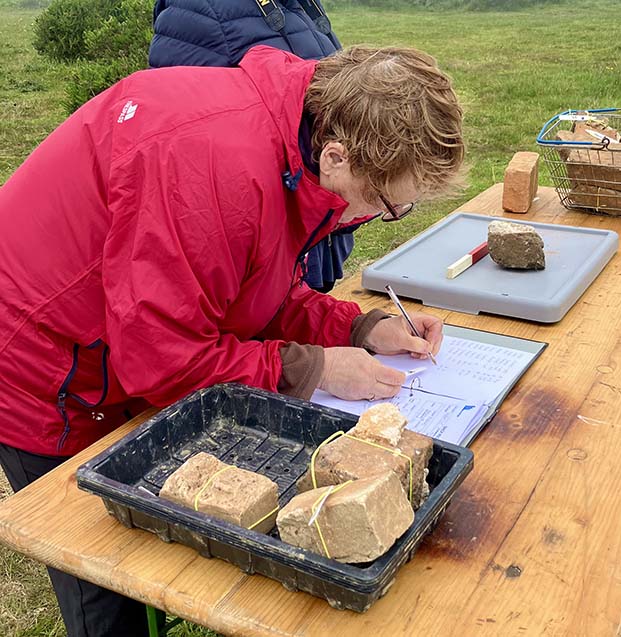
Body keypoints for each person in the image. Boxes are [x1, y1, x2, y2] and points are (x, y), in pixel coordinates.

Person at [0, 44, 464, 636]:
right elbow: (164, 360)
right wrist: (315, 368)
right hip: (45, 367)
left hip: (112, 342)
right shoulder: (212, 167)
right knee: (103, 571)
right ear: (338, 155)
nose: (381, 215)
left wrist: (359, 327)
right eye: (385, 203)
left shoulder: (290, 144)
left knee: (153, 552)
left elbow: (254, 286)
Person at [148, 0, 354, 293]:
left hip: (315, 229)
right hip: (264, 236)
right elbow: (184, 137)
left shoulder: (301, 4)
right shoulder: (200, 9)